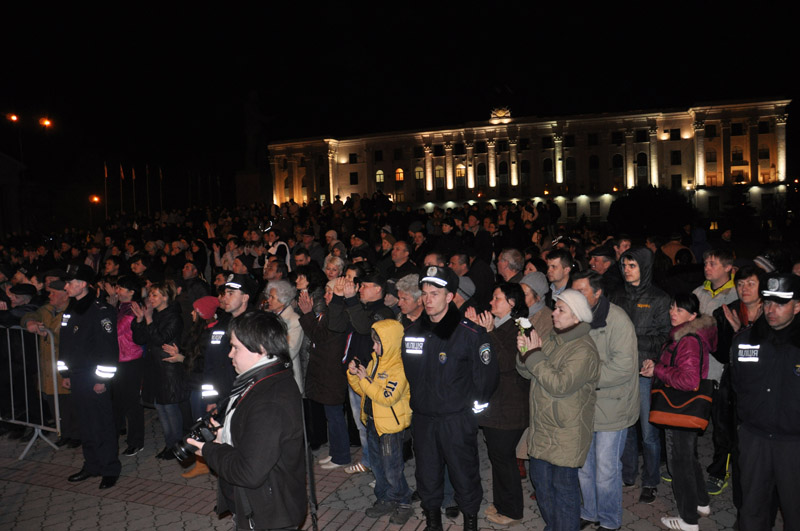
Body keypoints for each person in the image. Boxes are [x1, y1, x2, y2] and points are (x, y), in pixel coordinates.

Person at [187, 311, 308, 531]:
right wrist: (225, 434)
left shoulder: (269, 399)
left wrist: (209, 450)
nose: (229, 354)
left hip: (268, 514)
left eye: (235, 347)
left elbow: (248, 472)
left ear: (260, 348)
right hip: (260, 504)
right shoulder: (261, 380)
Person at [401, 265, 498, 531]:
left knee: (464, 474)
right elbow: (412, 373)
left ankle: (469, 521)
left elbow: (486, 378)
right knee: (427, 474)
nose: (427, 299)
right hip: (423, 418)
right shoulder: (412, 332)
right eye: (425, 293)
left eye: (435, 293)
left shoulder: (470, 334)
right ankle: (432, 521)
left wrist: (471, 412)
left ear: (450, 296)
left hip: (456, 419)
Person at [516, 288, 600, 531]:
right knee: (541, 485)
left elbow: (559, 385)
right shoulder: (553, 337)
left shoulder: (583, 349)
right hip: (543, 427)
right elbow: (528, 372)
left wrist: (533, 355)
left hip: (566, 432)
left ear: (577, 316)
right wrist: (524, 353)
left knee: (564, 492)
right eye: (555, 308)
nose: (554, 313)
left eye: (561, 309)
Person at [730, 273, 800, 530]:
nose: (771, 309)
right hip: (755, 441)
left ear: (797, 305)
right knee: (752, 511)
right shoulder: (744, 341)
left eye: (780, 303)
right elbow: (736, 387)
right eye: (768, 302)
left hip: (794, 445)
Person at [641, 293, 716, 531]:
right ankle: (702, 503)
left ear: (693, 316)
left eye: (680, 310)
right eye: (672, 307)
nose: (673, 312)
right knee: (689, 459)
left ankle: (687, 520)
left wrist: (659, 371)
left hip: (681, 406)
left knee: (680, 463)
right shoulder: (683, 335)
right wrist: (658, 365)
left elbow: (688, 379)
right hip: (684, 406)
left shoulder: (688, 339)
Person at [571, 270, 639, 531]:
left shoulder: (617, 320)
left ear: (597, 293)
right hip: (585, 405)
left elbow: (622, 368)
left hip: (613, 406)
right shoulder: (577, 318)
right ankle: (590, 512)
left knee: (606, 471)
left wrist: (584, 376)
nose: (574, 297)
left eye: (581, 292)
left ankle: (610, 522)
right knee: (584, 467)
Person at [610, 247, 670, 504]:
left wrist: (631, 339)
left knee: (648, 433)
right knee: (625, 427)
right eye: (624, 265)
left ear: (644, 267)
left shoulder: (659, 298)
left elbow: (664, 338)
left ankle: (651, 480)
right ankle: (628, 473)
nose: (626, 270)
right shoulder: (617, 295)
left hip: (644, 372)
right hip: (621, 371)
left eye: (632, 266)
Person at [466, 283, 529, 526]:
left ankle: (513, 511)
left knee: (504, 458)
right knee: (498, 457)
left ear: (512, 303)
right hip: (496, 406)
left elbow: (505, 363)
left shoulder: (521, 327)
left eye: (497, 298)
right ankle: (503, 504)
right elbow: (482, 357)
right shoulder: (500, 326)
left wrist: (489, 332)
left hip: (509, 407)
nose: (491, 303)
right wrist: (477, 329)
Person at [58, 264, 121, 489]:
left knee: (102, 423)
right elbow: (64, 344)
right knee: (85, 423)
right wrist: (64, 372)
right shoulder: (71, 309)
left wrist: (101, 380)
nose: (66, 287)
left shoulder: (101, 310)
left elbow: (108, 350)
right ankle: (92, 464)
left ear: (83, 284)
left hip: (94, 378)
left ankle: (110, 468)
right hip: (77, 376)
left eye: (70, 283)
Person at [347, 319, 413, 525]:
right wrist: (354, 375)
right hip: (373, 423)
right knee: (377, 467)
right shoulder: (376, 362)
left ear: (390, 342)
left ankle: (403, 502)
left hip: (390, 428)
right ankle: (385, 499)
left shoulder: (399, 367)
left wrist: (365, 379)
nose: (373, 347)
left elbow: (386, 397)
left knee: (392, 469)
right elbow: (365, 392)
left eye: (378, 343)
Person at [131, 281, 185, 460]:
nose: (150, 299)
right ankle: (170, 444)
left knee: (169, 407)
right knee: (160, 407)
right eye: (150, 295)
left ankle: (177, 446)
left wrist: (148, 319)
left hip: (168, 367)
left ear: (165, 296)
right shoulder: (154, 314)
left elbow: (160, 339)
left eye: (154, 295)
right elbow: (139, 339)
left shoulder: (173, 316)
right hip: (154, 367)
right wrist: (140, 320)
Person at [111, 275, 146, 456]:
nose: (117, 291)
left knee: (132, 403)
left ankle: (136, 441)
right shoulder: (119, 307)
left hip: (132, 359)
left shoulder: (134, 309)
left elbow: (117, 329)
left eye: (121, 288)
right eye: (117, 287)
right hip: (118, 359)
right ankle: (117, 434)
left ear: (132, 292)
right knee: (117, 400)